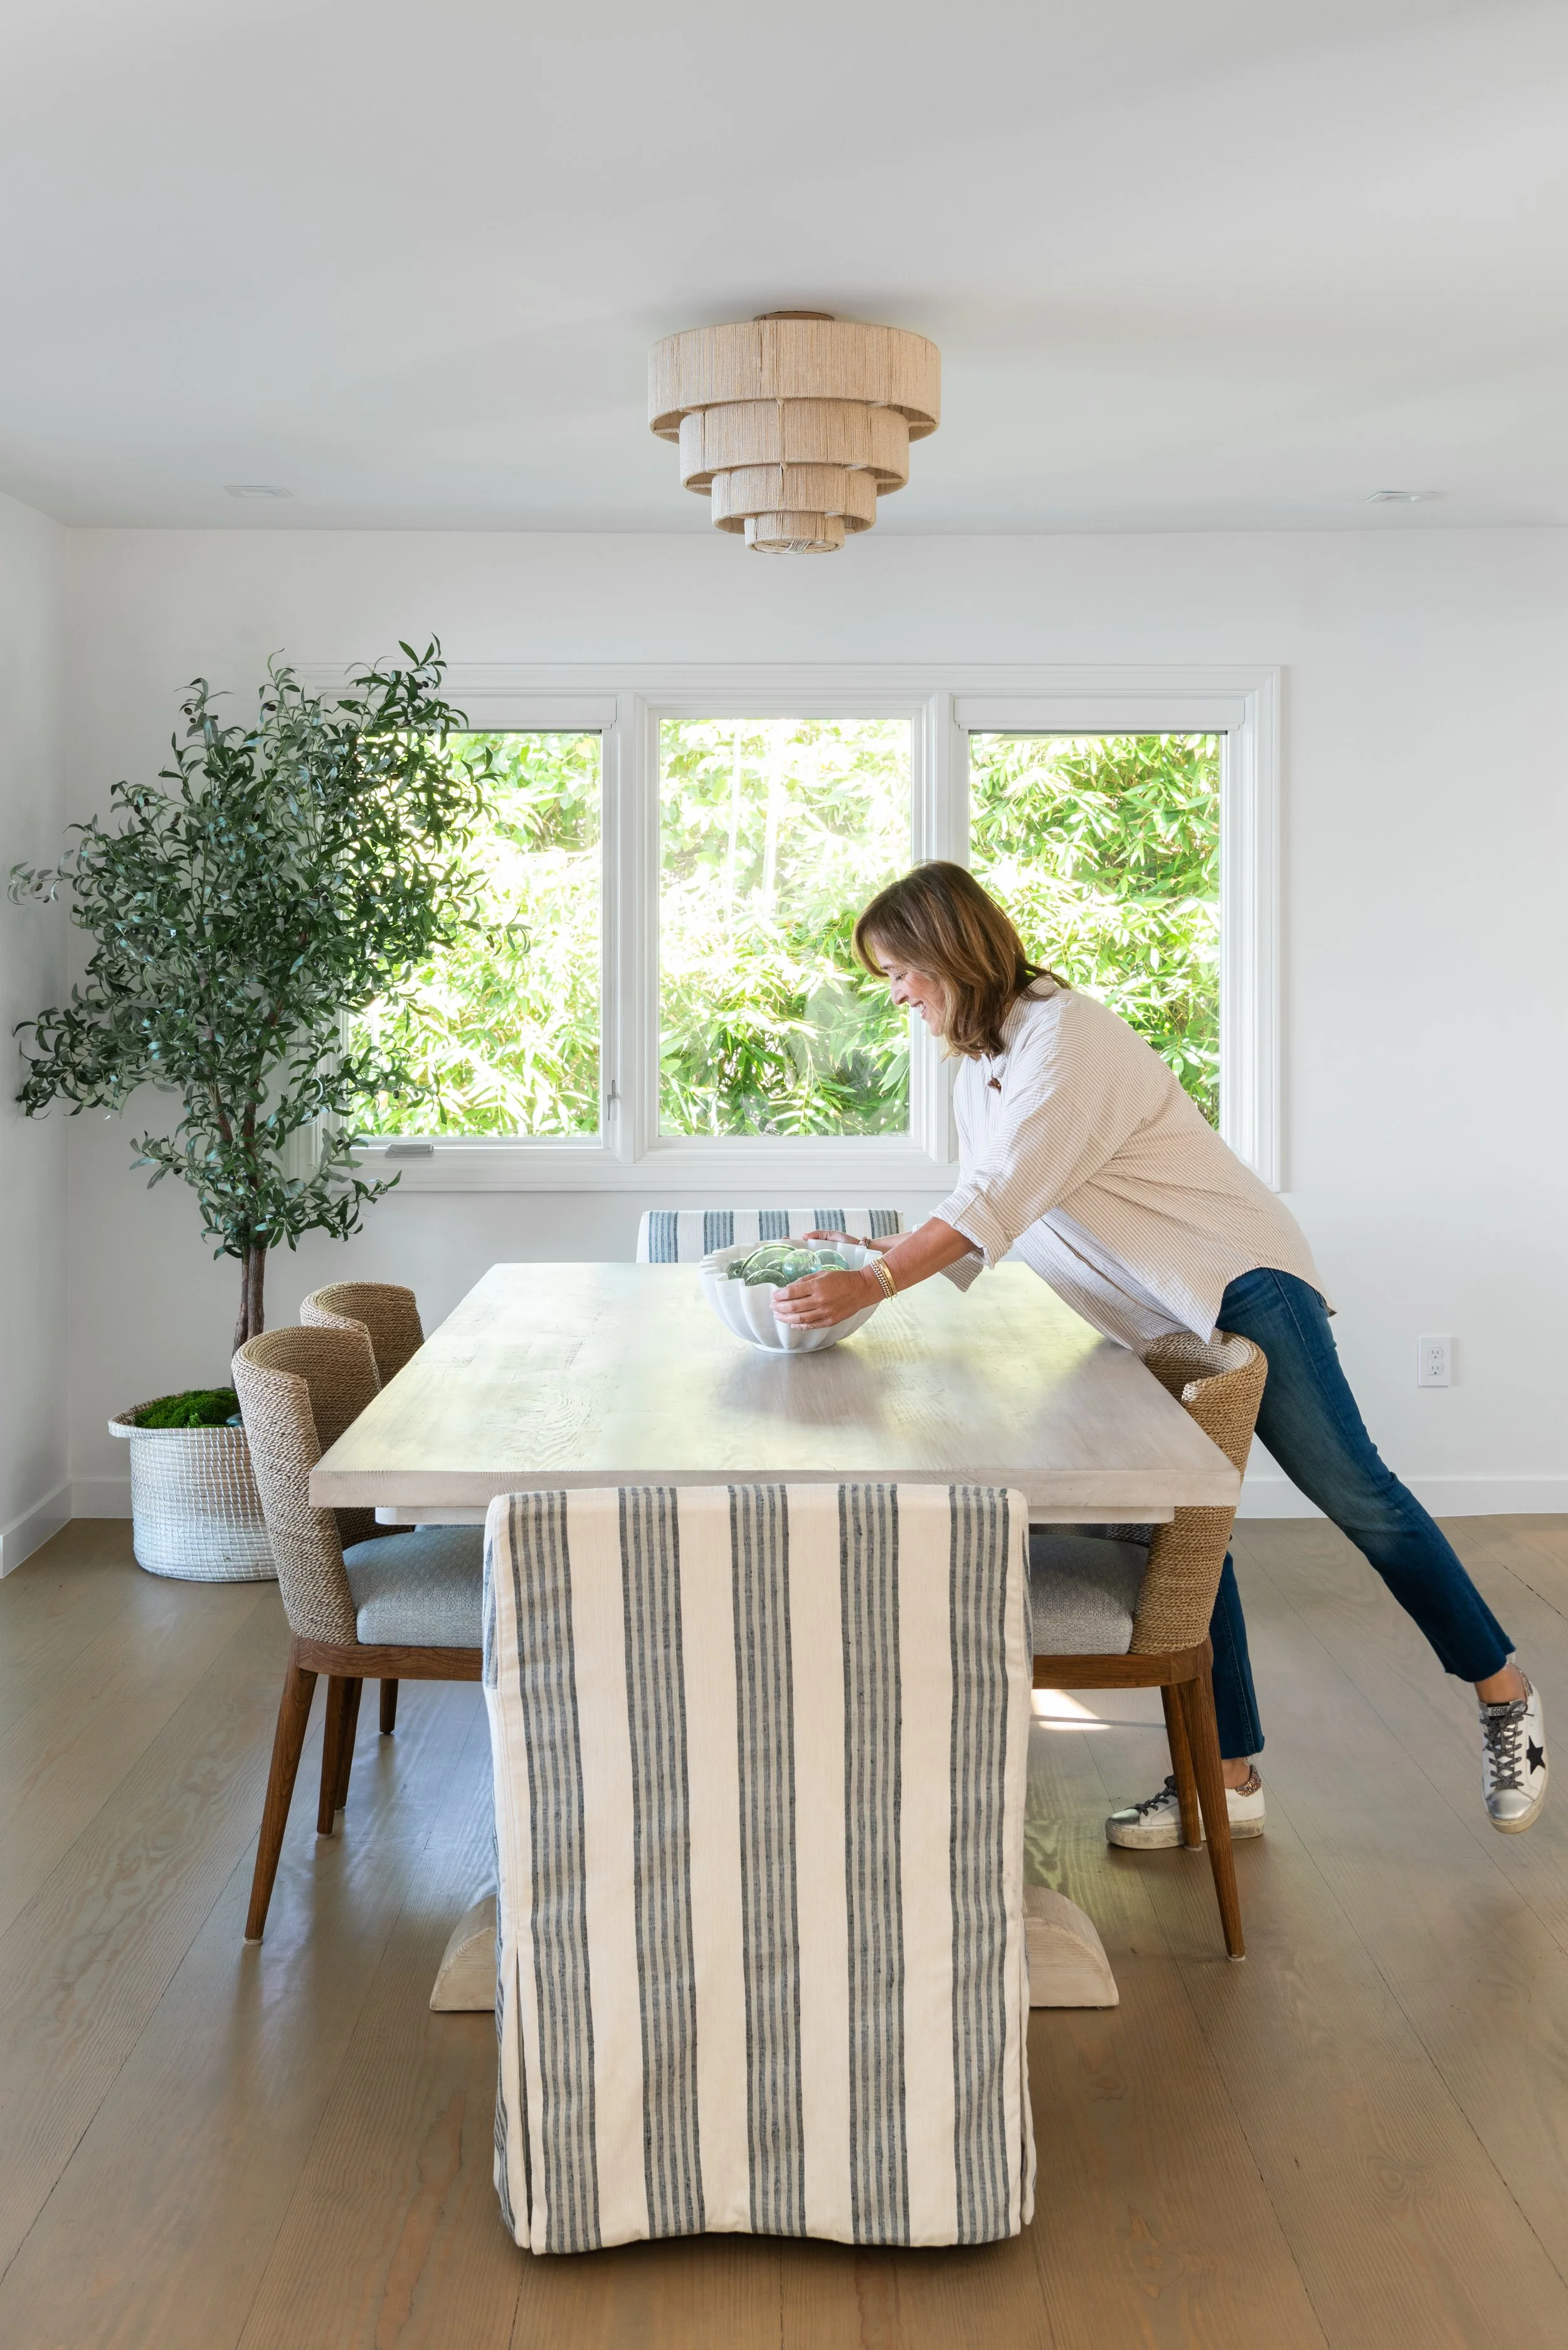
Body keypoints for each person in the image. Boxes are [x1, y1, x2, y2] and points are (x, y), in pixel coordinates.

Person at [773, 862, 1547, 1842]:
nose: (896, 995)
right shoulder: (985, 1067)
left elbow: (1002, 1192)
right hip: (1154, 1318)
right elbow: (981, 1201)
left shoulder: (1068, 1035)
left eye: (901, 971)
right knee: (1193, 1523)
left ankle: (1505, 1693)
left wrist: (877, 1285)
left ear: (948, 950)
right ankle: (1224, 1778)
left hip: (1239, 1284)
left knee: (1357, 1495)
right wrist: (870, 1254)